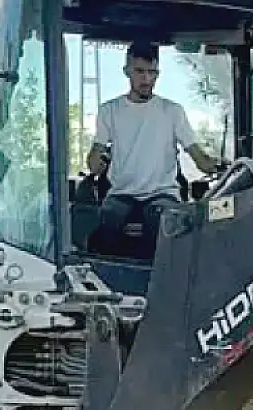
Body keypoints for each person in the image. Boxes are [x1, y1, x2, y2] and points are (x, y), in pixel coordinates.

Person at [84, 42, 220, 256]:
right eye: (140, 72)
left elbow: (197, 155)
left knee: (163, 221)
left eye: (152, 73)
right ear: (126, 71)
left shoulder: (172, 111)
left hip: (162, 193)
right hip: (121, 193)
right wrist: (94, 162)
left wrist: (214, 166)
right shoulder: (109, 111)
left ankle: (155, 282)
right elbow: (95, 154)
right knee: (107, 220)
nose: (147, 79)